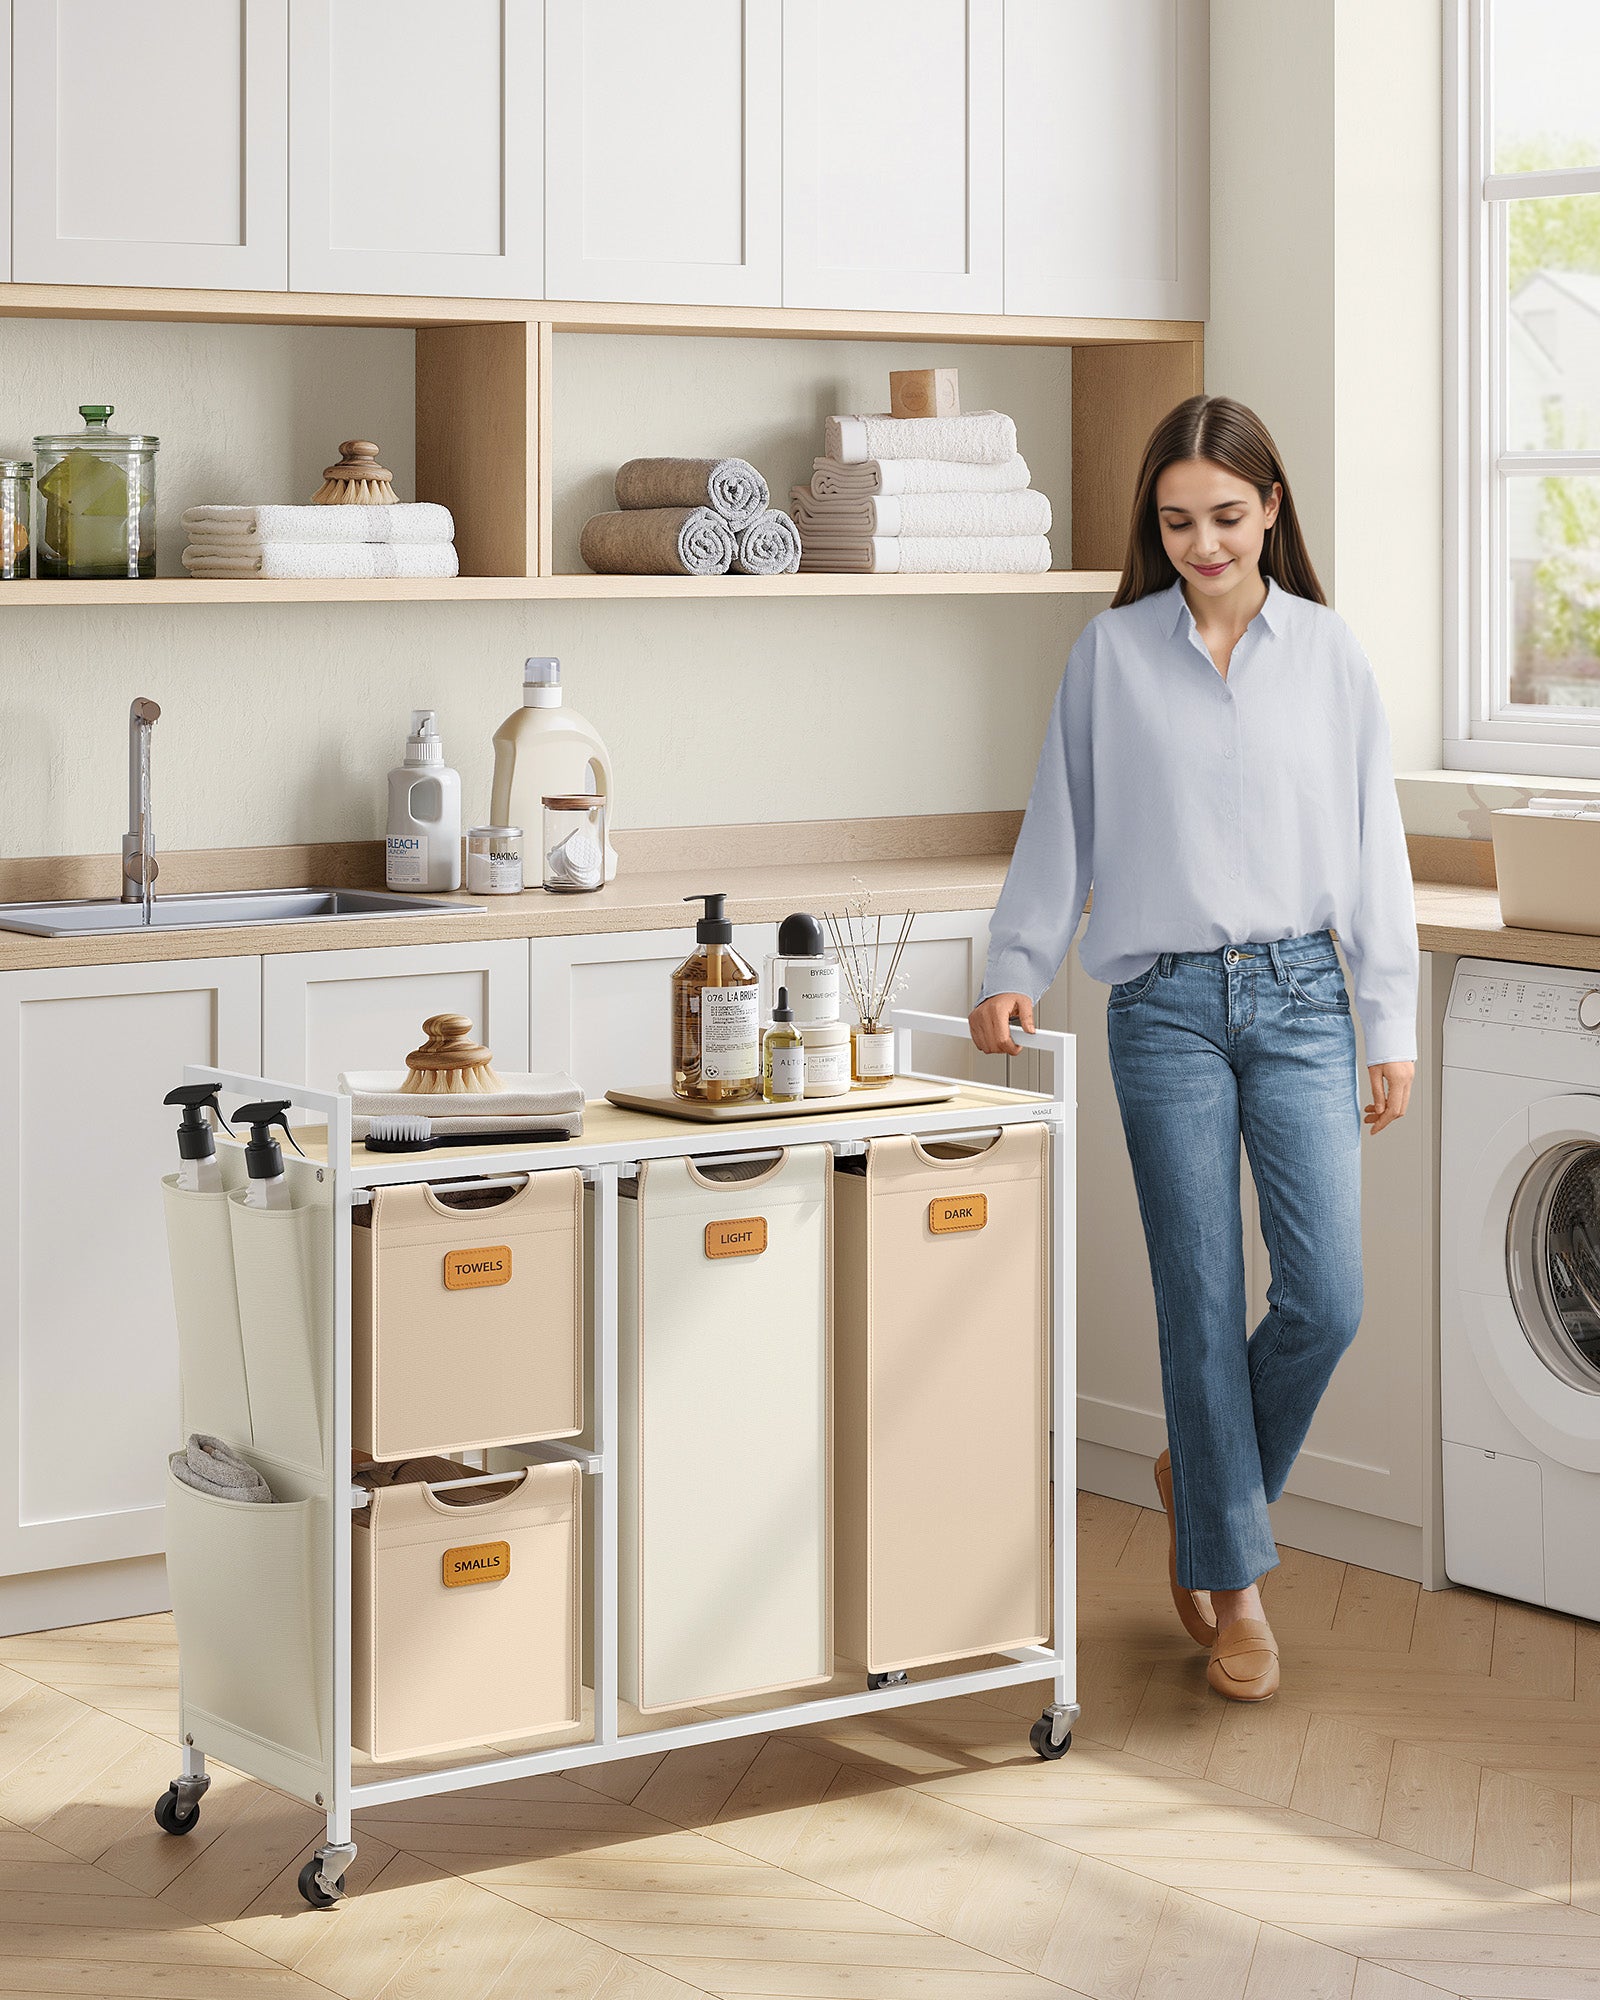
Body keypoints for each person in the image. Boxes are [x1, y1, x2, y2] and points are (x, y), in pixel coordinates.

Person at [969, 394, 1418, 1704]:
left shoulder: (1331, 658)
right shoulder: (1109, 657)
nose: (1204, 544)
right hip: (1159, 1005)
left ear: (1272, 509)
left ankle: (1202, 1487)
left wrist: (1385, 1018)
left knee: (1327, 1298)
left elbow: (1374, 848)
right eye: (1177, 523)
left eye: (1227, 516)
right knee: (1200, 1299)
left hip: (1301, 1000)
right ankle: (1234, 1592)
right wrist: (1012, 969)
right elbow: (1064, 826)